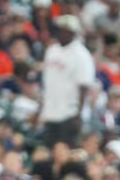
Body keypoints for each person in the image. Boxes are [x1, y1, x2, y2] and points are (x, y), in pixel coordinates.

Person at [37, 16, 96, 148]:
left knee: (67, 151)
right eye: (61, 30)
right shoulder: (51, 51)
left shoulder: (81, 55)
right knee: (49, 150)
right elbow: (47, 84)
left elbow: (84, 87)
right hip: (50, 112)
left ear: (74, 33)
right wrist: (40, 109)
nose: (63, 33)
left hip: (70, 113)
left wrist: (78, 115)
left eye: (67, 31)